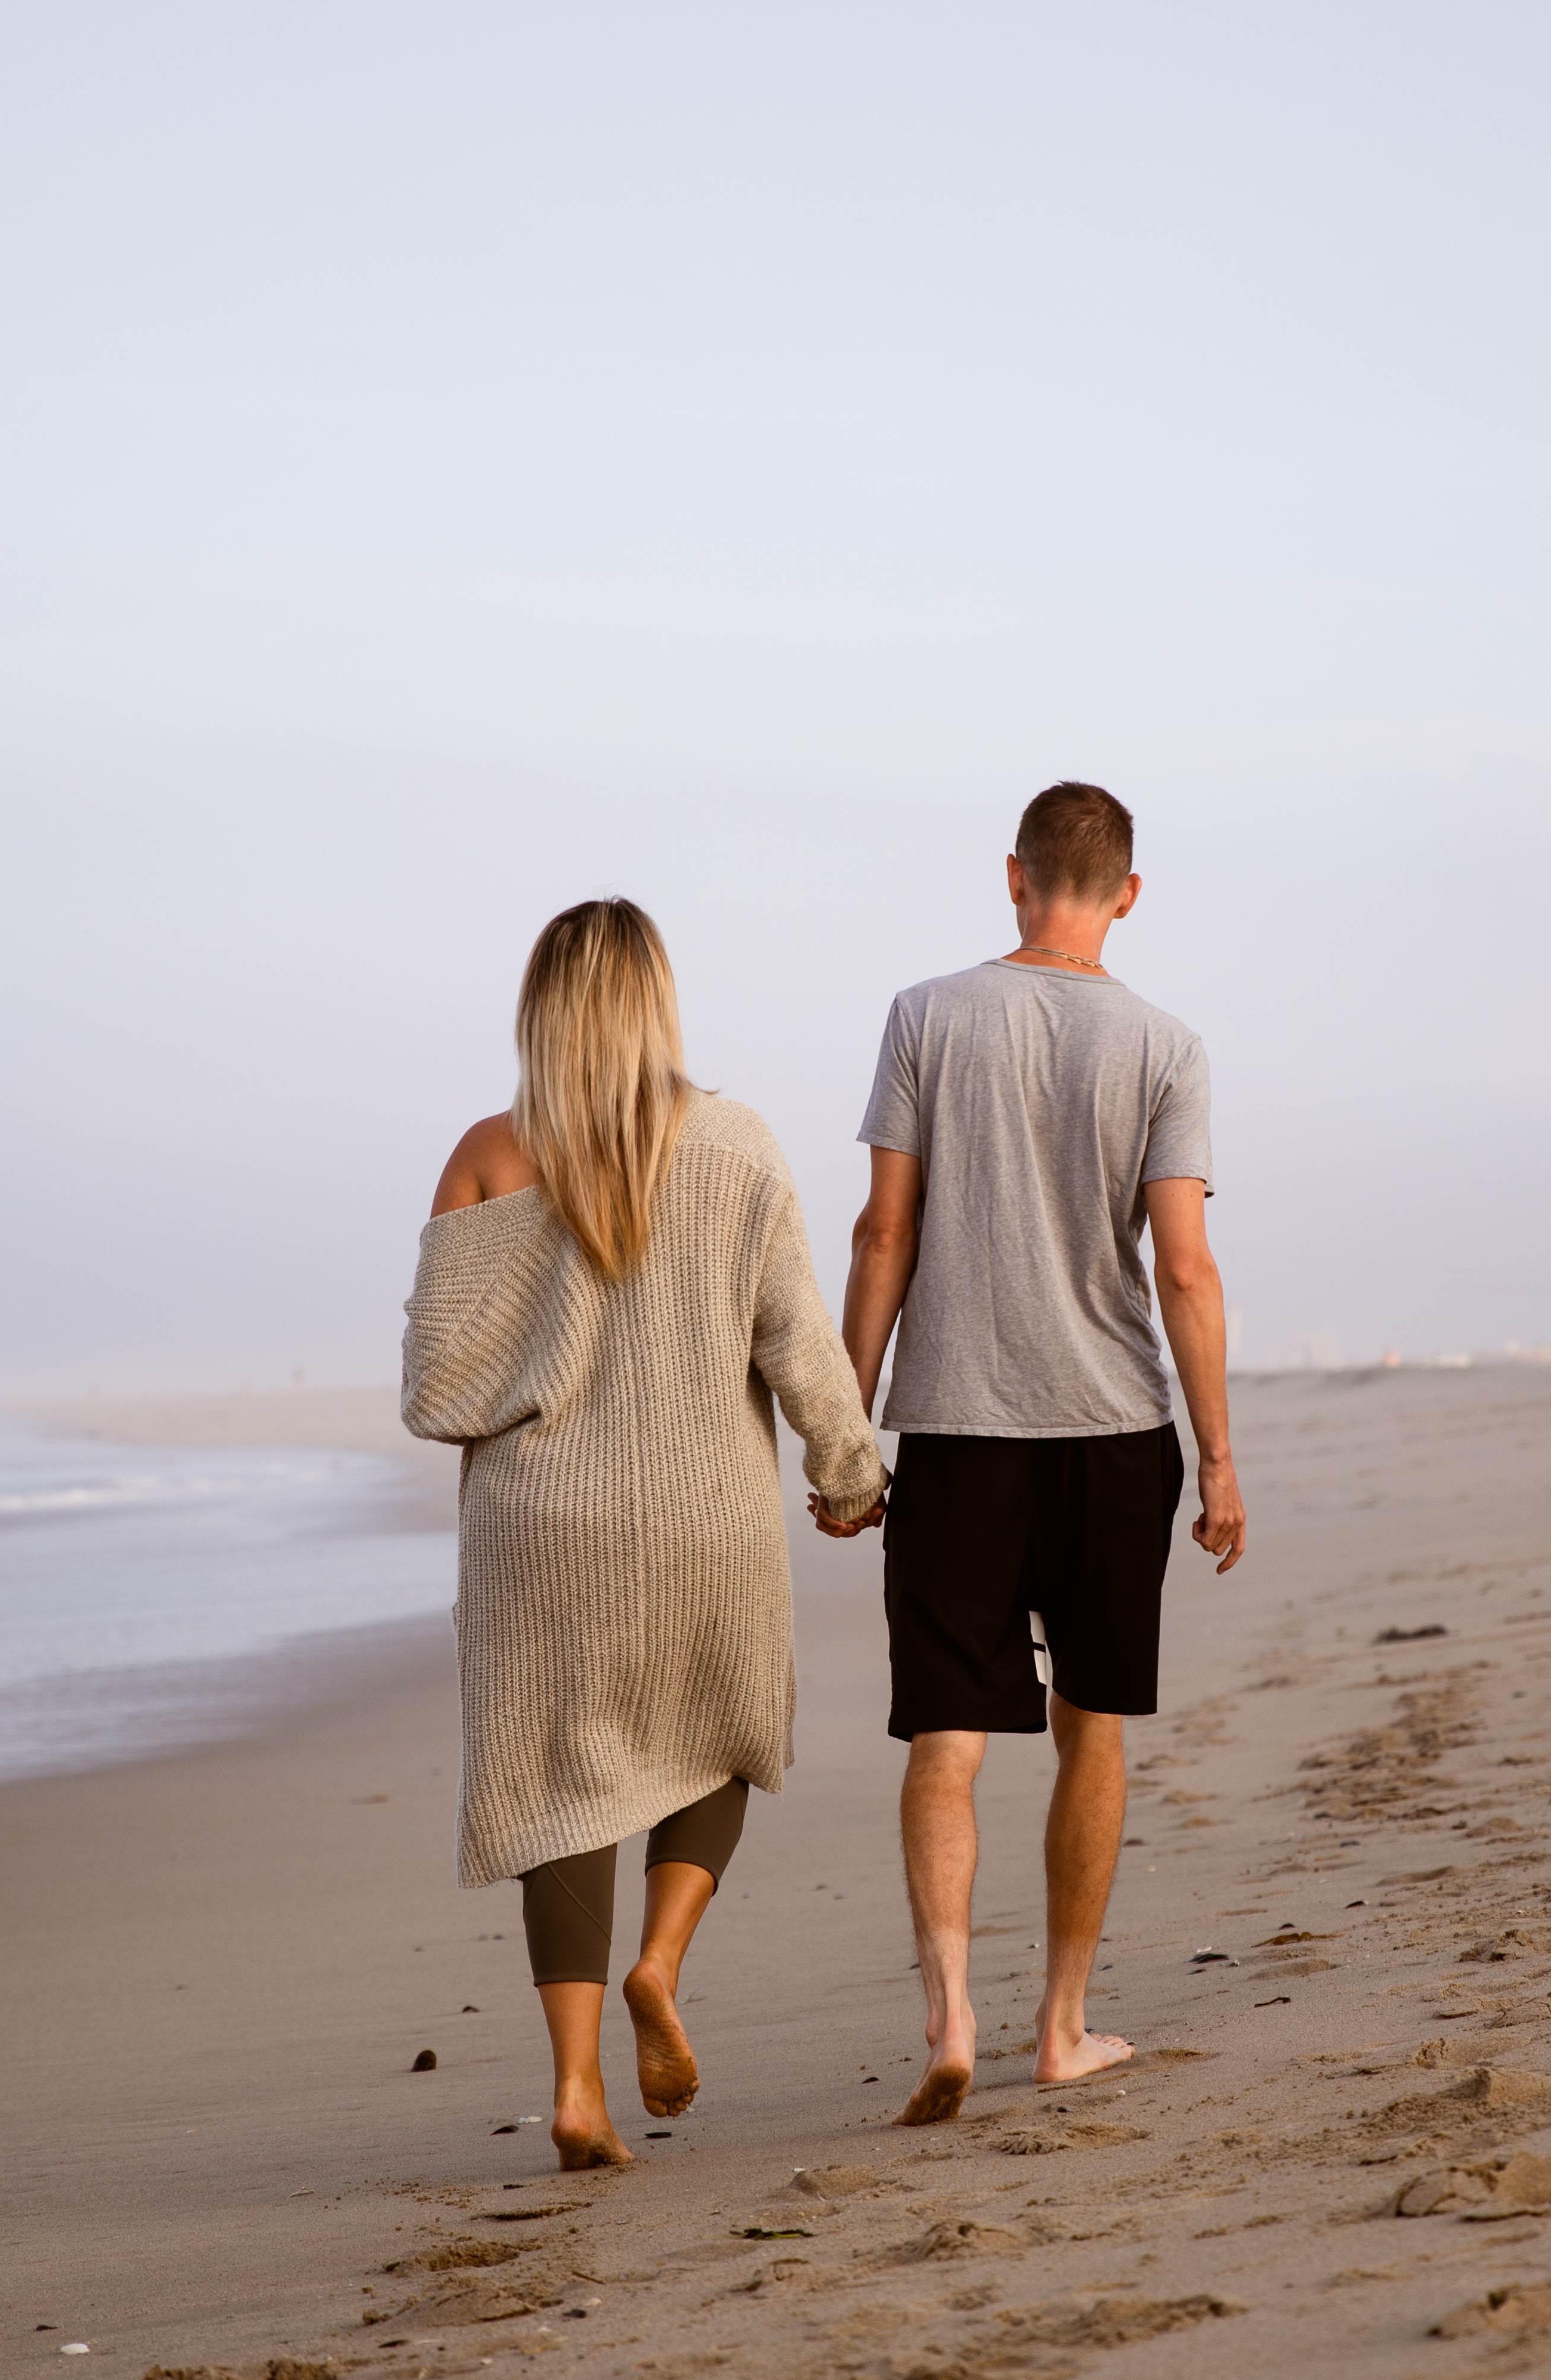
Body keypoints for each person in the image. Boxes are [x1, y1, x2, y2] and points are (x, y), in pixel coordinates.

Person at [404, 900, 886, 2171]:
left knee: (563, 1790)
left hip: (540, 1535)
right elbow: (797, 1339)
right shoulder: (735, 1144)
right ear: (658, 1000)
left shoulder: (488, 1157)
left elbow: (434, 1389)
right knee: (722, 1730)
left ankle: (575, 2092)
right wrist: (850, 1473)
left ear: (542, 1009)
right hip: (701, 1516)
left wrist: (543, 1358)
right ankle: (660, 1962)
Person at [831, 781, 1245, 2128]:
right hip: (1116, 1429)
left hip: (955, 1425)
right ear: (1126, 892)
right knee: (1094, 1730)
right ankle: (1059, 2025)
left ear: (1017, 876)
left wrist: (848, 1414)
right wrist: (1223, 1456)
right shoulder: (1166, 1044)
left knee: (947, 1739)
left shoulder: (926, 1015)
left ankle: (949, 2013)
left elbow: (882, 1234)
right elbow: (1183, 1267)